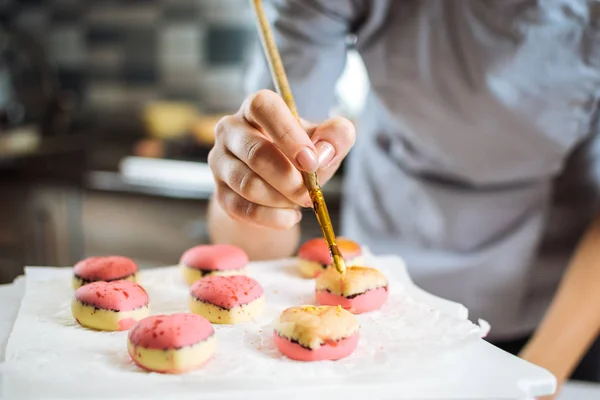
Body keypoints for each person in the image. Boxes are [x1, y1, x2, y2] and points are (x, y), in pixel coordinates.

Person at [207, 0, 600, 394]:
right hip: (376, 298)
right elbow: (254, 235)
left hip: (562, 297)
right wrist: (255, 185)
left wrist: (538, 377)